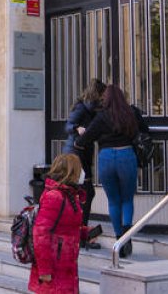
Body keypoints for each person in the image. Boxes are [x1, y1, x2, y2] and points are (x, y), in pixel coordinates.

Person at [73, 84, 148, 258]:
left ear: (105, 99)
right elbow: (145, 130)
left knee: (113, 201)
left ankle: (118, 238)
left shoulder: (101, 117)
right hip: (126, 155)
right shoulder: (132, 113)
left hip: (106, 158)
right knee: (127, 199)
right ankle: (127, 236)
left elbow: (85, 139)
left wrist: (78, 139)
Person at [27, 153, 89, 294]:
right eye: (80, 169)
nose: (83, 173)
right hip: (54, 267)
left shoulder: (70, 194)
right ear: (71, 172)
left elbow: (66, 227)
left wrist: (85, 233)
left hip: (66, 266)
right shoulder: (55, 196)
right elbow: (41, 233)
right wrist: (45, 270)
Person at [64, 78, 105, 245]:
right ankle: (81, 233)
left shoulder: (92, 109)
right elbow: (68, 126)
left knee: (83, 194)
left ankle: (79, 231)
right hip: (76, 155)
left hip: (82, 154)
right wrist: (76, 128)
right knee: (85, 193)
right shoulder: (82, 108)